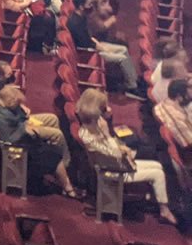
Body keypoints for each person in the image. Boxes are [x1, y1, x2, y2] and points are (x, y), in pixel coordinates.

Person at [73, 88, 175, 223]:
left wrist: (122, 148)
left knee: (157, 165)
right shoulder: (89, 136)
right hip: (113, 170)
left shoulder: (92, 125)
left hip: (116, 163)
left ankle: (154, 198)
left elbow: (112, 150)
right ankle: (164, 210)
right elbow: (112, 153)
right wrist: (109, 136)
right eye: (104, 108)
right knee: (158, 174)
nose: (107, 109)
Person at [0, 83, 75, 196]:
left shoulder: (6, 105)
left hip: (22, 123)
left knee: (53, 118)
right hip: (22, 134)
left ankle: (53, 154)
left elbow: (18, 115)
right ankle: (65, 165)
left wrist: (22, 109)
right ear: (10, 103)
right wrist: (26, 129)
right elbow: (10, 138)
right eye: (17, 103)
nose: (19, 105)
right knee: (57, 134)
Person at [69, 0, 141, 95]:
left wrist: (100, 45)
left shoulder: (82, 16)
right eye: (89, 4)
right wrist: (102, 49)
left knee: (123, 49)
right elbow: (85, 45)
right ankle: (132, 87)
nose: (91, 7)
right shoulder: (75, 23)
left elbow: (89, 38)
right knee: (122, 58)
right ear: (81, 6)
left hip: (94, 46)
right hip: (89, 54)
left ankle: (135, 80)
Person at [156, 77, 192, 148]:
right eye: (188, 94)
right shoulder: (179, 117)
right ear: (179, 96)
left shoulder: (166, 103)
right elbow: (189, 142)